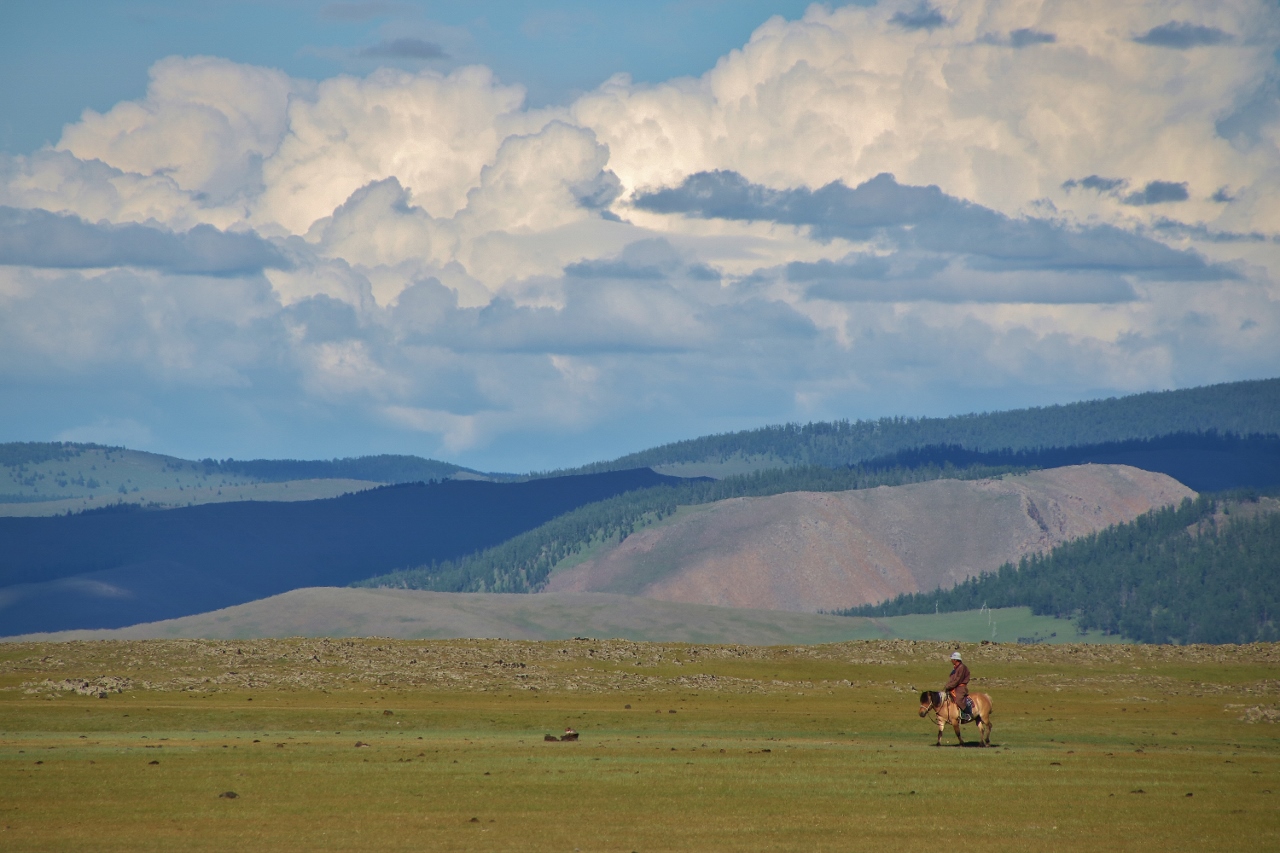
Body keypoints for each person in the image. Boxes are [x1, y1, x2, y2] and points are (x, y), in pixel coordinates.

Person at [943, 651, 972, 722]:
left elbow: (958, 680)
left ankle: (967, 714)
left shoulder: (962, 668)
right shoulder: (955, 668)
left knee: (958, 699)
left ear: (955, 660)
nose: (951, 661)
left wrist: (949, 686)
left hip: (960, 687)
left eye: (952, 659)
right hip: (953, 686)